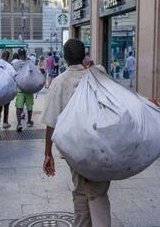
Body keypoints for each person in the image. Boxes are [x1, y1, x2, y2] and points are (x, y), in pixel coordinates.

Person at [42, 38, 111, 227]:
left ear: (64, 58)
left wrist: (48, 153)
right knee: (98, 192)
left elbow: (51, 122)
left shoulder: (59, 82)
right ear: (85, 55)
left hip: (75, 150)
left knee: (81, 191)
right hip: (101, 145)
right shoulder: (98, 74)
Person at [13, 48, 35, 132]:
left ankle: (19, 124)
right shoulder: (30, 63)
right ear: (25, 54)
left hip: (20, 88)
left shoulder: (16, 64)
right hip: (29, 88)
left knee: (19, 106)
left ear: (18, 55)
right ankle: (29, 121)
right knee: (29, 106)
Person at [0, 51, 13, 129]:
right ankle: (5, 122)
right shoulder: (9, 66)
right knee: (6, 106)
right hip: (6, 89)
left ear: (1, 56)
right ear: (8, 57)